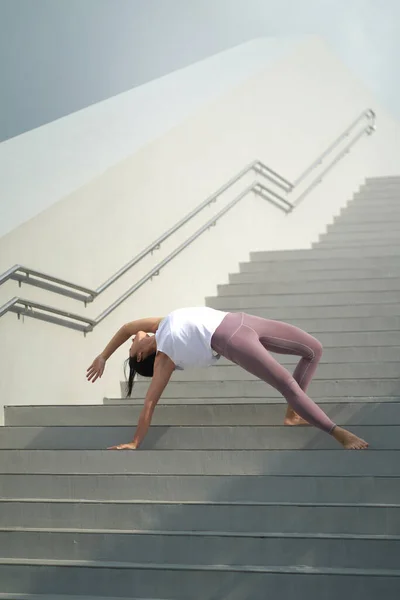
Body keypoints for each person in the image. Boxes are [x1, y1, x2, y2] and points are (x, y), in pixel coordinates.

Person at [86, 307, 368, 451]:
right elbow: (149, 404)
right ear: (139, 357)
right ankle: (337, 432)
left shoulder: (159, 326)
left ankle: (293, 414)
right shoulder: (165, 358)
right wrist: (136, 441)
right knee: (285, 383)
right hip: (231, 339)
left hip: (243, 320)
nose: (135, 339)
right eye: (132, 347)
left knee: (313, 349)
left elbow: (127, 328)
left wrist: (103, 356)